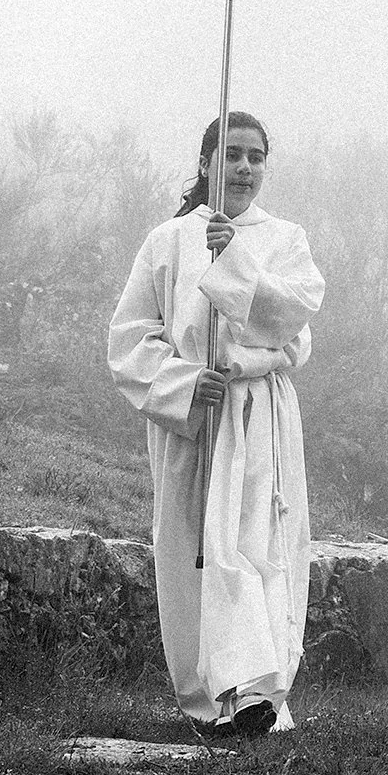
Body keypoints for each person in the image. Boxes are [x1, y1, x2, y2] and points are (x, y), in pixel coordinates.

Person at [108, 112, 324, 737]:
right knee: (192, 548)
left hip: (258, 414)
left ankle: (256, 690)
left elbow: (294, 322)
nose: (245, 168)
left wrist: (234, 260)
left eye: (256, 156)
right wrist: (181, 382)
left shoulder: (284, 239)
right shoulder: (168, 241)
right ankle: (210, 696)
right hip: (193, 419)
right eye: (232, 154)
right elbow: (129, 340)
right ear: (205, 164)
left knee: (255, 543)